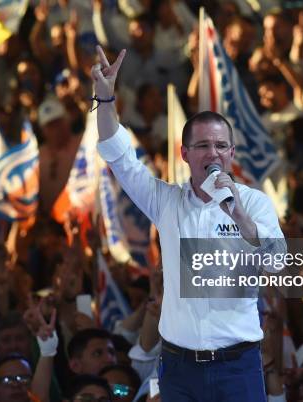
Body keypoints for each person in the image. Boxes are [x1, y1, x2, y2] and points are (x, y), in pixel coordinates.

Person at [92, 45, 286, 401]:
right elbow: (121, 159)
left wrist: (240, 217)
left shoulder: (255, 203)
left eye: (220, 146)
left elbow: (277, 265)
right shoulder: (166, 201)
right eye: (202, 146)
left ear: (231, 154)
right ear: (184, 154)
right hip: (179, 367)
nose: (212, 153)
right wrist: (105, 100)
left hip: (238, 364)